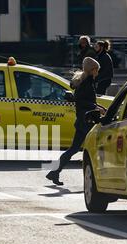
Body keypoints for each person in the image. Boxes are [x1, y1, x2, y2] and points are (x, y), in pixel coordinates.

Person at [46, 57, 106, 186]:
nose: (98, 73)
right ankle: (97, 180)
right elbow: (82, 101)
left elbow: (85, 100)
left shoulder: (84, 81)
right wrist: (96, 108)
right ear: (93, 70)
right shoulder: (87, 82)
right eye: (97, 70)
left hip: (83, 120)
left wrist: (98, 107)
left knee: (73, 149)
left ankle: (54, 172)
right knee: (96, 149)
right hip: (87, 121)